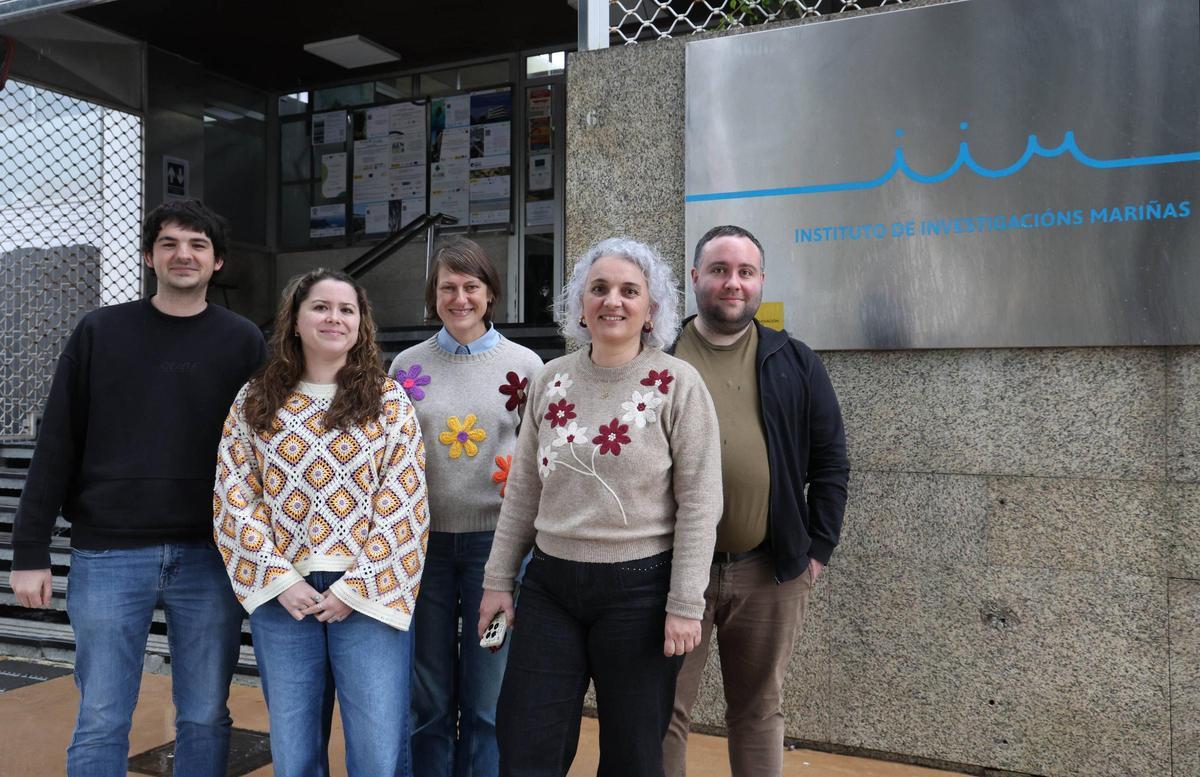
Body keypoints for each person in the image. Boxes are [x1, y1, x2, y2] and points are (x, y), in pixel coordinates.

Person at [9, 199, 267, 776]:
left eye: (198, 245)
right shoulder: (101, 330)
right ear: (149, 256)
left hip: (212, 556)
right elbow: (56, 445)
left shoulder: (243, 341)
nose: (184, 255)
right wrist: (29, 551)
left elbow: (269, 450)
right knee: (103, 715)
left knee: (204, 714)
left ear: (217, 261)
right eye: (171, 243)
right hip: (107, 554)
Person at [478, 237, 723, 777]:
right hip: (550, 588)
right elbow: (523, 489)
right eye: (600, 289)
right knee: (525, 745)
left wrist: (685, 602)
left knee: (634, 757)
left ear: (651, 309)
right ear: (581, 305)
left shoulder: (678, 383)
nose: (614, 301)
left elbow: (701, 502)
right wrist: (498, 579)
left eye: (629, 291)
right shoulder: (550, 379)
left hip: (639, 592)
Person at [213, 268, 428, 777]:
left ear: (361, 325)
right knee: (294, 750)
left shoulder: (388, 400)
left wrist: (355, 588)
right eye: (321, 307)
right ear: (295, 320)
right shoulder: (256, 399)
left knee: (377, 751)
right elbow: (234, 495)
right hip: (285, 595)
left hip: (369, 595)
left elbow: (404, 501)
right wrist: (279, 578)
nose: (334, 318)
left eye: (346, 310)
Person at [662, 225, 850, 777]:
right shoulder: (661, 355)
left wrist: (816, 550)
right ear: (695, 278)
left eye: (745, 272)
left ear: (761, 282)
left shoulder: (793, 360)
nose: (732, 283)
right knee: (663, 711)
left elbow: (831, 462)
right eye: (719, 270)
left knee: (759, 710)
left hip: (769, 570)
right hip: (673, 572)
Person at [389, 237, 543, 777]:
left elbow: (537, 463)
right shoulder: (406, 368)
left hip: (495, 553)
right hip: (421, 551)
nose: (459, 298)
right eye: (447, 287)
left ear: (490, 292)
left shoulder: (525, 367)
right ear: (433, 295)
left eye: (470, 286)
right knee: (427, 696)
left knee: (488, 696)